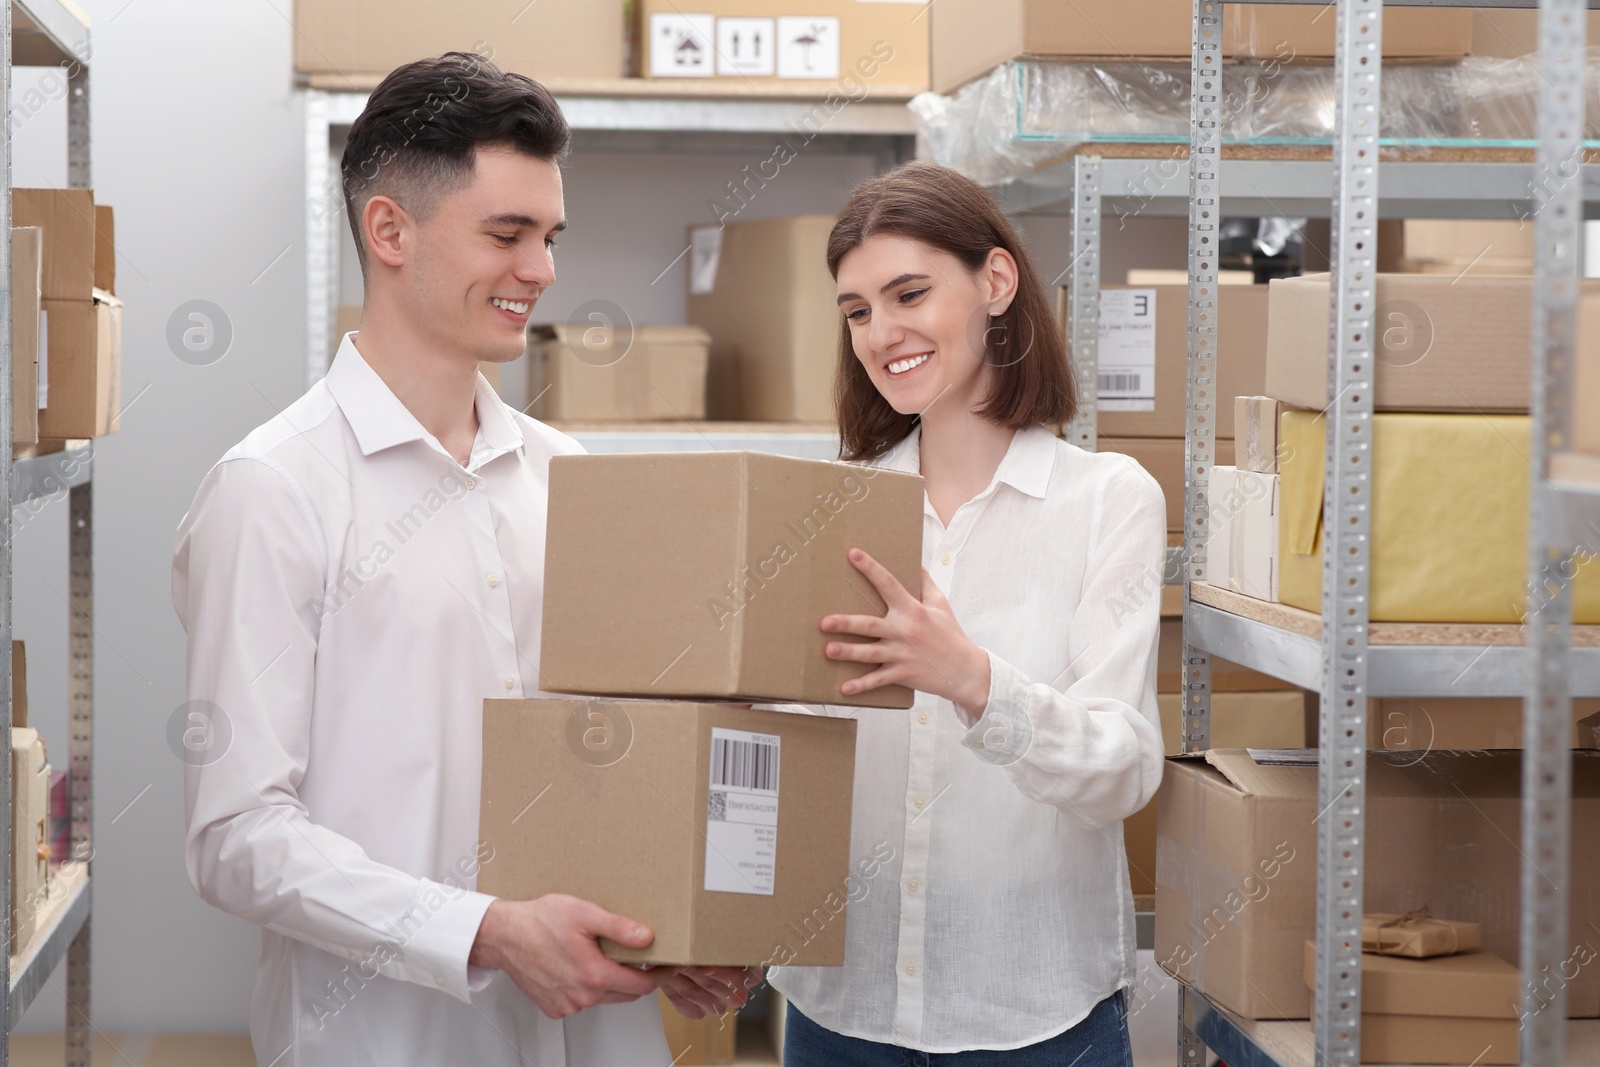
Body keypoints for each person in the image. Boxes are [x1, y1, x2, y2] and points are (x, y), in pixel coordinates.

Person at [172, 53, 750, 1066]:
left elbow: (615, 753)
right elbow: (237, 836)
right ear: (390, 230)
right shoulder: (273, 489)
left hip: (592, 1032)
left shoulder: (568, 477)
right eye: (507, 234)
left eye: (550, 235)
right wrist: (487, 929)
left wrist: (678, 929)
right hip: (387, 1038)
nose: (544, 270)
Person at [766, 162, 1166, 1065]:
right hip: (842, 1011)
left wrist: (975, 682)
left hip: (1035, 1011)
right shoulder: (827, 511)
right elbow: (787, 762)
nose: (882, 333)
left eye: (910, 293)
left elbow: (1124, 771)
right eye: (858, 310)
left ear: (995, 281)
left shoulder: (1107, 500)